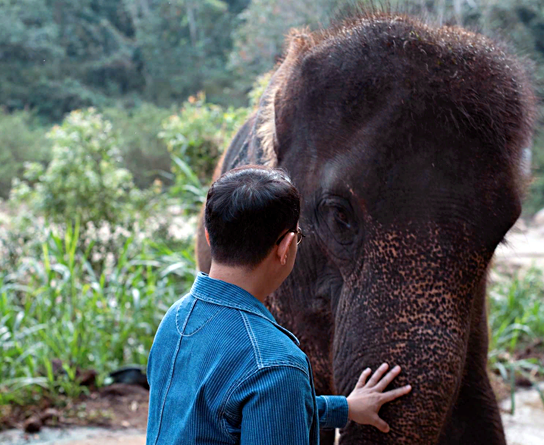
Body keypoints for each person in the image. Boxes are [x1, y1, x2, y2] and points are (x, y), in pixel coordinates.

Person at [146, 166, 411, 445]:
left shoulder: (175, 321)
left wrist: (344, 408)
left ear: (209, 237)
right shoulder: (275, 363)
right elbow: (265, 391)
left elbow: (230, 407)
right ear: (285, 247)